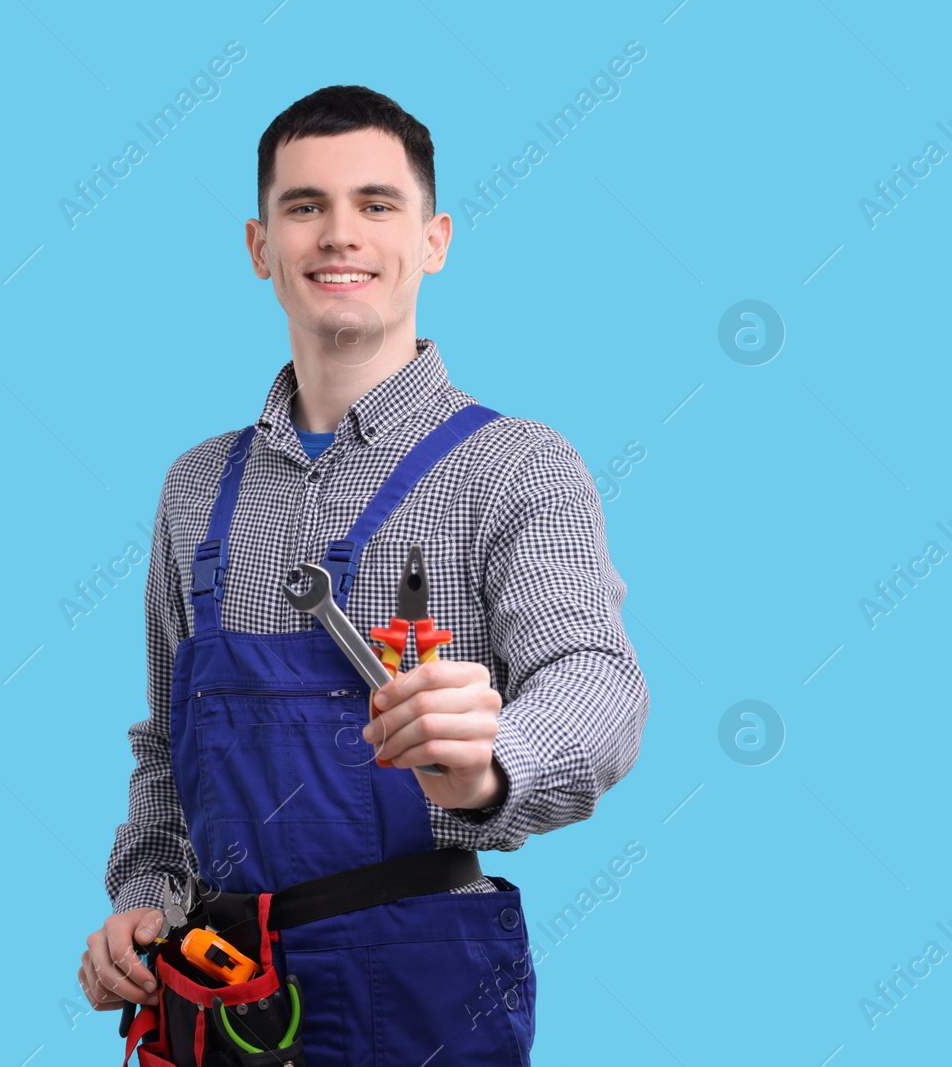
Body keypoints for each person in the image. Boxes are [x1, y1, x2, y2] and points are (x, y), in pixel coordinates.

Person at [79, 84, 649, 1064]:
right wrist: (143, 900)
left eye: (375, 205)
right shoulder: (196, 488)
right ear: (261, 247)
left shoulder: (515, 466)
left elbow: (594, 681)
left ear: (433, 238)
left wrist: (488, 762)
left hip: (423, 985)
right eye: (305, 207)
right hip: (220, 984)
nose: (339, 234)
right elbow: (168, 745)